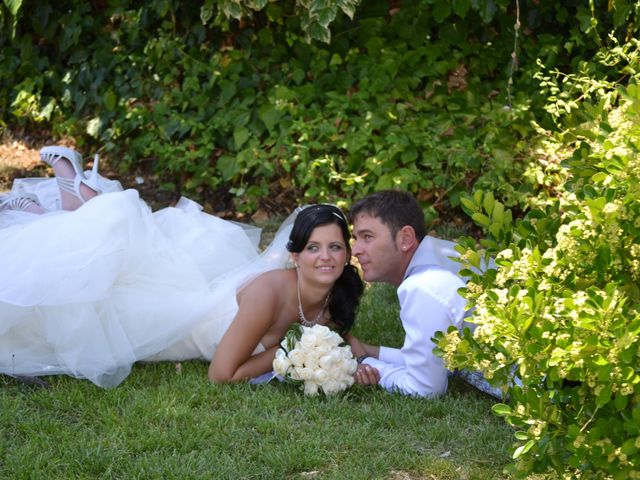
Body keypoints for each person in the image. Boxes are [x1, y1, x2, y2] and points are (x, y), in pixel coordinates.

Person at [0, 146, 363, 387]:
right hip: (160, 322)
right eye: (313, 248)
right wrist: (290, 350)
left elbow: (348, 343)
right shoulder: (269, 291)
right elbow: (222, 374)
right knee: (69, 296)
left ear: (347, 254)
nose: (325, 257)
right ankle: (61, 204)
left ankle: (56, 205)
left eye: (334, 247)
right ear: (295, 256)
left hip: (187, 291)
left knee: (88, 269)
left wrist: (362, 360)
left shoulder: (334, 298)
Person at [346, 189, 488, 397]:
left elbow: (425, 388)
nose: (356, 249)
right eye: (355, 238)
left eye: (367, 237)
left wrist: (366, 364)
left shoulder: (423, 286)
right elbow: (434, 359)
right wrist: (374, 352)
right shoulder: (443, 254)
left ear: (406, 238)